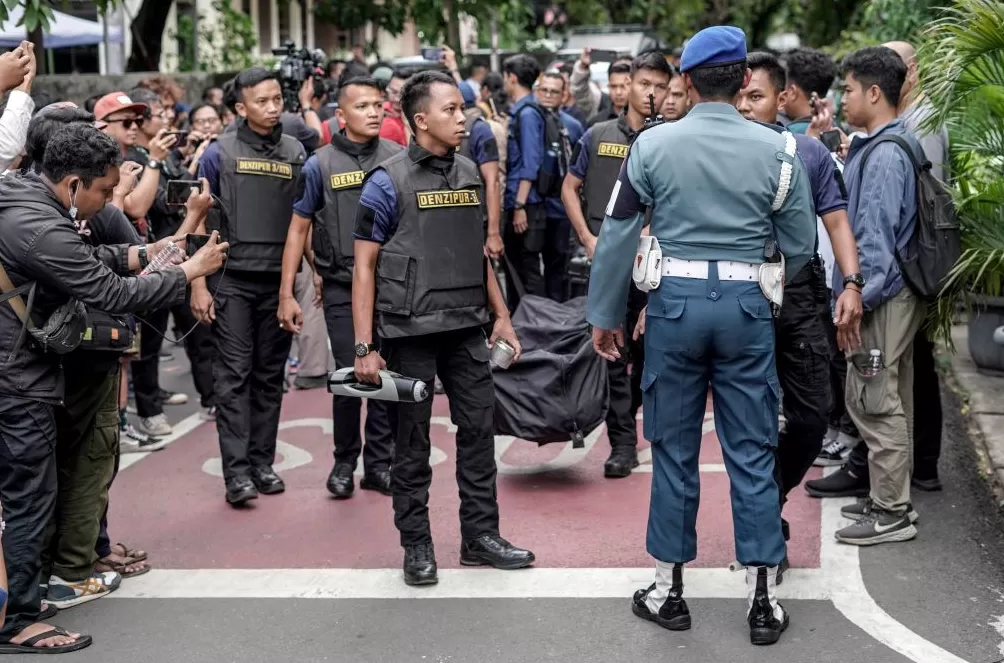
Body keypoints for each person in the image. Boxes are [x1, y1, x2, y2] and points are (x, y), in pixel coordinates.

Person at [587, 27, 816, 644]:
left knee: (673, 448)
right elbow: (798, 247)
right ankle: (762, 597)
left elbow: (616, 234)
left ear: (685, 81)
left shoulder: (651, 145)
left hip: (674, 308)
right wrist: (755, 281)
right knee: (752, 449)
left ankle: (668, 590)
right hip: (747, 306)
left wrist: (605, 314)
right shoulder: (781, 150)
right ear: (745, 80)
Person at [0, 123, 227, 654]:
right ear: (74, 182)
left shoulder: (21, 197)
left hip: (16, 371)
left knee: (29, 493)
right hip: (16, 379)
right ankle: (19, 620)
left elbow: (91, 260)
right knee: (30, 496)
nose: (109, 202)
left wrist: (152, 253)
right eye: (104, 191)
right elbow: (106, 290)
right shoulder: (42, 225)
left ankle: (21, 601)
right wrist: (188, 268)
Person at [352, 70, 534, 587]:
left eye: (463, 109)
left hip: (466, 328)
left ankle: (480, 538)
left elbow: (476, 253)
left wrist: (502, 315)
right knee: (411, 445)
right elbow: (363, 267)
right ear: (420, 119)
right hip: (409, 333)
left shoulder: (471, 173)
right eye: (451, 110)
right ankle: (417, 545)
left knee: (479, 433)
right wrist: (364, 346)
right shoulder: (385, 182)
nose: (463, 118)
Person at [736, 51, 864, 574]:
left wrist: (850, 283)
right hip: (741, 301)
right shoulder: (722, 151)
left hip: (801, 296)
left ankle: (771, 498)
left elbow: (835, 221)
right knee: (753, 421)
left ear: (782, 98)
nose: (745, 107)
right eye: (740, 96)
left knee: (810, 417)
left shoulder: (808, 152)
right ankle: (765, 526)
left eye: (756, 97)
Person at [822, 47, 927, 546]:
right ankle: (891, 498)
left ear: (874, 92)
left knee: (875, 397)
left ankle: (892, 511)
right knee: (891, 395)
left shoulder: (885, 154)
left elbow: (874, 241)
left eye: (847, 89)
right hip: (896, 294)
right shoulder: (889, 143)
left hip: (883, 296)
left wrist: (856, 295)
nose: (841, 98)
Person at [278, 76, 402, 498]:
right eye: (362, 105)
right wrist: (285, 293)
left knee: (386, 373)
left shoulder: (398, 158)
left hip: (391, 284)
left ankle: (379, 463)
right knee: (351, 374)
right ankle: (345, 461)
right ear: (340, 115)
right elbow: (298, 230)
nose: (373, 112)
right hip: (341, 285)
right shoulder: (319, 164)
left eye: (378, 105)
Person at [193, 67, 308, 507]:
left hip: (278, 281)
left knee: (268, 377)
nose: (273, 106)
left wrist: (308, 275)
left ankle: (262, 463)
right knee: (233, 377)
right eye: (262, 100)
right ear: (241, 107)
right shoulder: (218, 153)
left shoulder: (297, 150)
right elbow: (198, 223)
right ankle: (236, 474)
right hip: (231, 280)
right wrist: (198, 286)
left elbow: (304, 222)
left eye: (277, 97)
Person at [561, 50, 672, 477]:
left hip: (657, 269)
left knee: (652, 354)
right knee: (614, 353)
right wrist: (589, 239)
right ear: (628, 86)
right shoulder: (597, 134)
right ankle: (622, 445)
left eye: (661, 86)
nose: (652, 93)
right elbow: (570, 188)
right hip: (610, 265)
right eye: (645, 83)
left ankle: (648, 430)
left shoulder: (671, 138)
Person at [536, 71, 583, 301]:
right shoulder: (529, 119)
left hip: (561, 206)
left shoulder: (573, 126)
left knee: (559, 266)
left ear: (563, 95)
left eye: (554, 91)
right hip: (534, 206)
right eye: (544, 90)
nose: (548, 96)